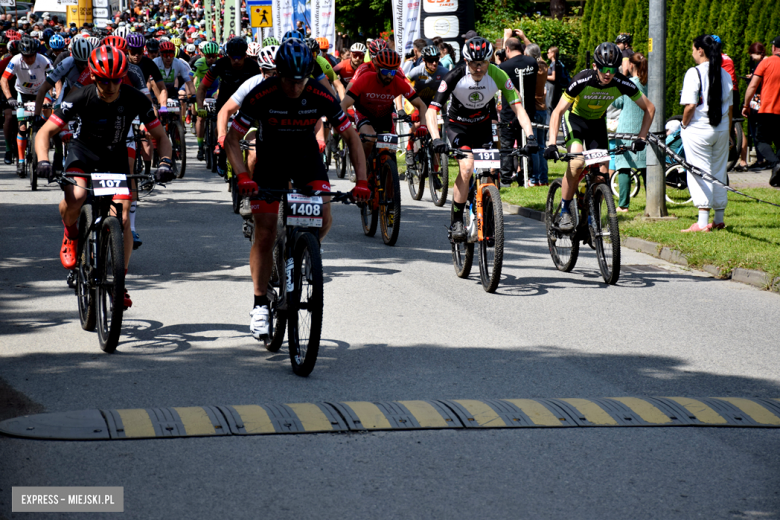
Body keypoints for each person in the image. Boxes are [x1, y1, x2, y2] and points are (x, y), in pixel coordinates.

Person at [223, 39, 369, 341]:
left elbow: (352, 138)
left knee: (325, 215)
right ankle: (260, 303)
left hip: (306, 160)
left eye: (302, 80)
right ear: (279, 73)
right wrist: (242, 176)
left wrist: (363, 182)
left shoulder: (319, 93)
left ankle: (306, 250)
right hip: (271, 162)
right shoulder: (261, 93)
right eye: (290, 79)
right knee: (264, 232)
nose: (295, 87)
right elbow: (233, 140)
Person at [34, 45, 173, 309]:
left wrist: (165, 162)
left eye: (116, 80)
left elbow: (161, 138)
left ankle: (120, 281)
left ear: (123, 78)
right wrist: (42, 160)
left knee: (123, 215)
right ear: (94, 77)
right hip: (82, 153)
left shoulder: (136, 99)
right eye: (104, 80)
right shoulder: (78, 96)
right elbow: (44, 133)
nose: (110, 86)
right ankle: (71, 233)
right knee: (76, 196)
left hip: (114, 157)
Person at [427, 37, 537, 241]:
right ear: (466, 61)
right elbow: (431, 111)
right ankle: (457, 219)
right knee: (467, 167)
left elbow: (518, 108)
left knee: (491, 170)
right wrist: (436, 139)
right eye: (473, 63)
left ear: (490, 60)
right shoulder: (455, 75)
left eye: (483, 63)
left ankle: (489, 216)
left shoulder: (498, 74)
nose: (478, 68)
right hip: (457, 125)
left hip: (482, 125)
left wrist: (530, 136)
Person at [544, 42, 654, 232]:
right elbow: (558, 112)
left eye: (612, 69)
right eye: (603, 68)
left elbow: (649, 108)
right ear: (595, 66)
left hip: (596, 124)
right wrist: (552, 143)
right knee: (577, 163)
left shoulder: (621, 82)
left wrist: (642, 138)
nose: (608, 73)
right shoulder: (582, 79)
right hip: (576, 121)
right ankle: (564, 211)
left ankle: (591, 214)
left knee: (602, 175)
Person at [679, 35, 733, 231]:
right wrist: (728, 134)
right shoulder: (724, 74)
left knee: (699, 173)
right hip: (720, 129)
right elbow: (730, 109)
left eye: (693, 49)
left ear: (700, 50)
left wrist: (683, 125)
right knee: (719, 172)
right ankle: (718, 219)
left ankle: (702, 223)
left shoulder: (694, 73)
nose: (692, 52)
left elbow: (690, 105)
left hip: (698, 130)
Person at [1, 36, 53, 176]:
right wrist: (10, 98)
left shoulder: (43, 60)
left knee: (48, 107)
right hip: (22, 94)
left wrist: (56, 96)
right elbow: (4, 79)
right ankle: (22, 160)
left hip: (41, 93)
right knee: (22, 127)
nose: (29, 59)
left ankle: (47, 132)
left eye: (32, 56)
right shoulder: (15, 60)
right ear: (21, 54)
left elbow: (56, 78)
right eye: (26, 56)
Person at [498, 35, 537, 186]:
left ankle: (506, 178)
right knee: (526, 143)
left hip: (510, 111)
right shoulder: (532, 62)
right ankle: (526, 176)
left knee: (507, 146)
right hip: (529, 110)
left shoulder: (504, 67)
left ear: (507, 49)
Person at [612, 52, 648, 211]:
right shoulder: (651, 83)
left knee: (624, 168)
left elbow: (617, 103)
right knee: (647, 169)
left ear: (631, 65)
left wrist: (622, 76)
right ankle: (652, 202)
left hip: (627, 130)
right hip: (646, 130)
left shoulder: (628, 84)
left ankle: (623, 205)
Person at [742, 36, 780, 187]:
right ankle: (777, 177)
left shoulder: (766, 62)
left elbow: (752, 86)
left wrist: (746, 105)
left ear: (774, 48)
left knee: (761, 140)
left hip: (767, 109)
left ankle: (776, 164)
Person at [527, 43, 549, 186]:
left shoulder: (531, 69)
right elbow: (535, 52)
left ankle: (534, 179)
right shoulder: (544, 67)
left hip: (533, 109)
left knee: (534, 146)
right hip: (543, 109)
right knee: (542, 146)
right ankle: (544, 178)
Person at [744, 43, 767, 171]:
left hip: (757, 102)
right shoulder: (770, 61)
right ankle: (764, 159)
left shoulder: (761, 64)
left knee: (756, 132)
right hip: (767, 102)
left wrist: (752, 79)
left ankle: (760, 159)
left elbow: (755, 85)